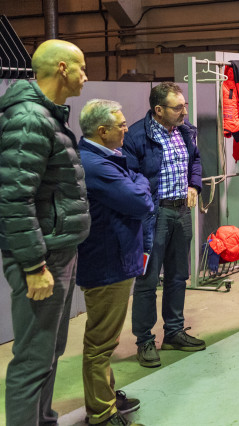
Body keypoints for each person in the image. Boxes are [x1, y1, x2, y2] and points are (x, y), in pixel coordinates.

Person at [0, 39, 90, 425]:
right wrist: (35, 264)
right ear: (62, 69)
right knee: (33, 357)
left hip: (57, 250)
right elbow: (13, 199)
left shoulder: (48, 116)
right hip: (43, 256)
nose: (87, 75)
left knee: (50, 350)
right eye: (81, 67)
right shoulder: (30, 119)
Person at [77, 99, 153, 425]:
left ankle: (106, 397)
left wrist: (136, 180)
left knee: (104, 340)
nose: (126, 129)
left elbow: (134, 190)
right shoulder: (95, 166)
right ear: (102, 130)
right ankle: (102, 413)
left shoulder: (107, 158)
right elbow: (139, 202)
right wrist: (141, 180)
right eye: (120, 125)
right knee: (99, 343)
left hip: (115, 257)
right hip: (107, 263)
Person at [123, 82, 203, 368]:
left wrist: (194, 185)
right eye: (178, 107)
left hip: (181, 212)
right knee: (147, 280)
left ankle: (174, 332)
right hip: (153, 216)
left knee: (178, 275)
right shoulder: (135, 136)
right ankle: (145, 340)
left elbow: (195, 160)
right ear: (158, 110)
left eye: (185, 106)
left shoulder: (185, 131)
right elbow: (129, 176)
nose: (184, 112)